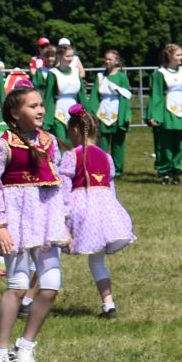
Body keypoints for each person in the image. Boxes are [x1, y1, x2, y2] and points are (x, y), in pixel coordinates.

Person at [0, 83, 74, 362]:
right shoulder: (2, 145)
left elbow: (60, 183)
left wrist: (64, 222)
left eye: (41, 105)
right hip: (17, 222)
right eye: (32, 106)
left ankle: (26, 346)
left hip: (45, 220)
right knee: (17, 286)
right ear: (15, 115)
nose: (40, 110)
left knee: (51, 285)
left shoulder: (49, 142)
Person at [64, 107, 134, 319]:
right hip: (104, 210)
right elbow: (110, 188)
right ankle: (108, 305)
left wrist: (62, 214)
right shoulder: (106, 157)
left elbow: (64, 187)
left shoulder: (71, 156)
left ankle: (28, 301)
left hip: (80, 208)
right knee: (97, 261)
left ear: (75, 130)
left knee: (48, 253)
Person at [145, 43, 182, 184]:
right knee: (165, 143)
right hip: (167, 109)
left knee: (179, 143)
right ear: (169, 56)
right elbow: (156, 95)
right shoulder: (160, 73)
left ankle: (176, 170)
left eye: (181, 54)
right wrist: (154, 115)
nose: (181, 57)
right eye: (178, 55)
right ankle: (165, 171)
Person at [88, 48, 134, 178]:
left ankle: (118, 170)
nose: (107, 61)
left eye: (110, 59)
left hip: (118, 112)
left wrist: (127, 115)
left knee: (118, 143)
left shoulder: (122, 77)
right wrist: (93, 113)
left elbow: (126, 96)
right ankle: (102, 167)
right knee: (102, 142)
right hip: (103, 112)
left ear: (116, 61)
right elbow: (95, 97)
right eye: (106, 59)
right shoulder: (100, 77)